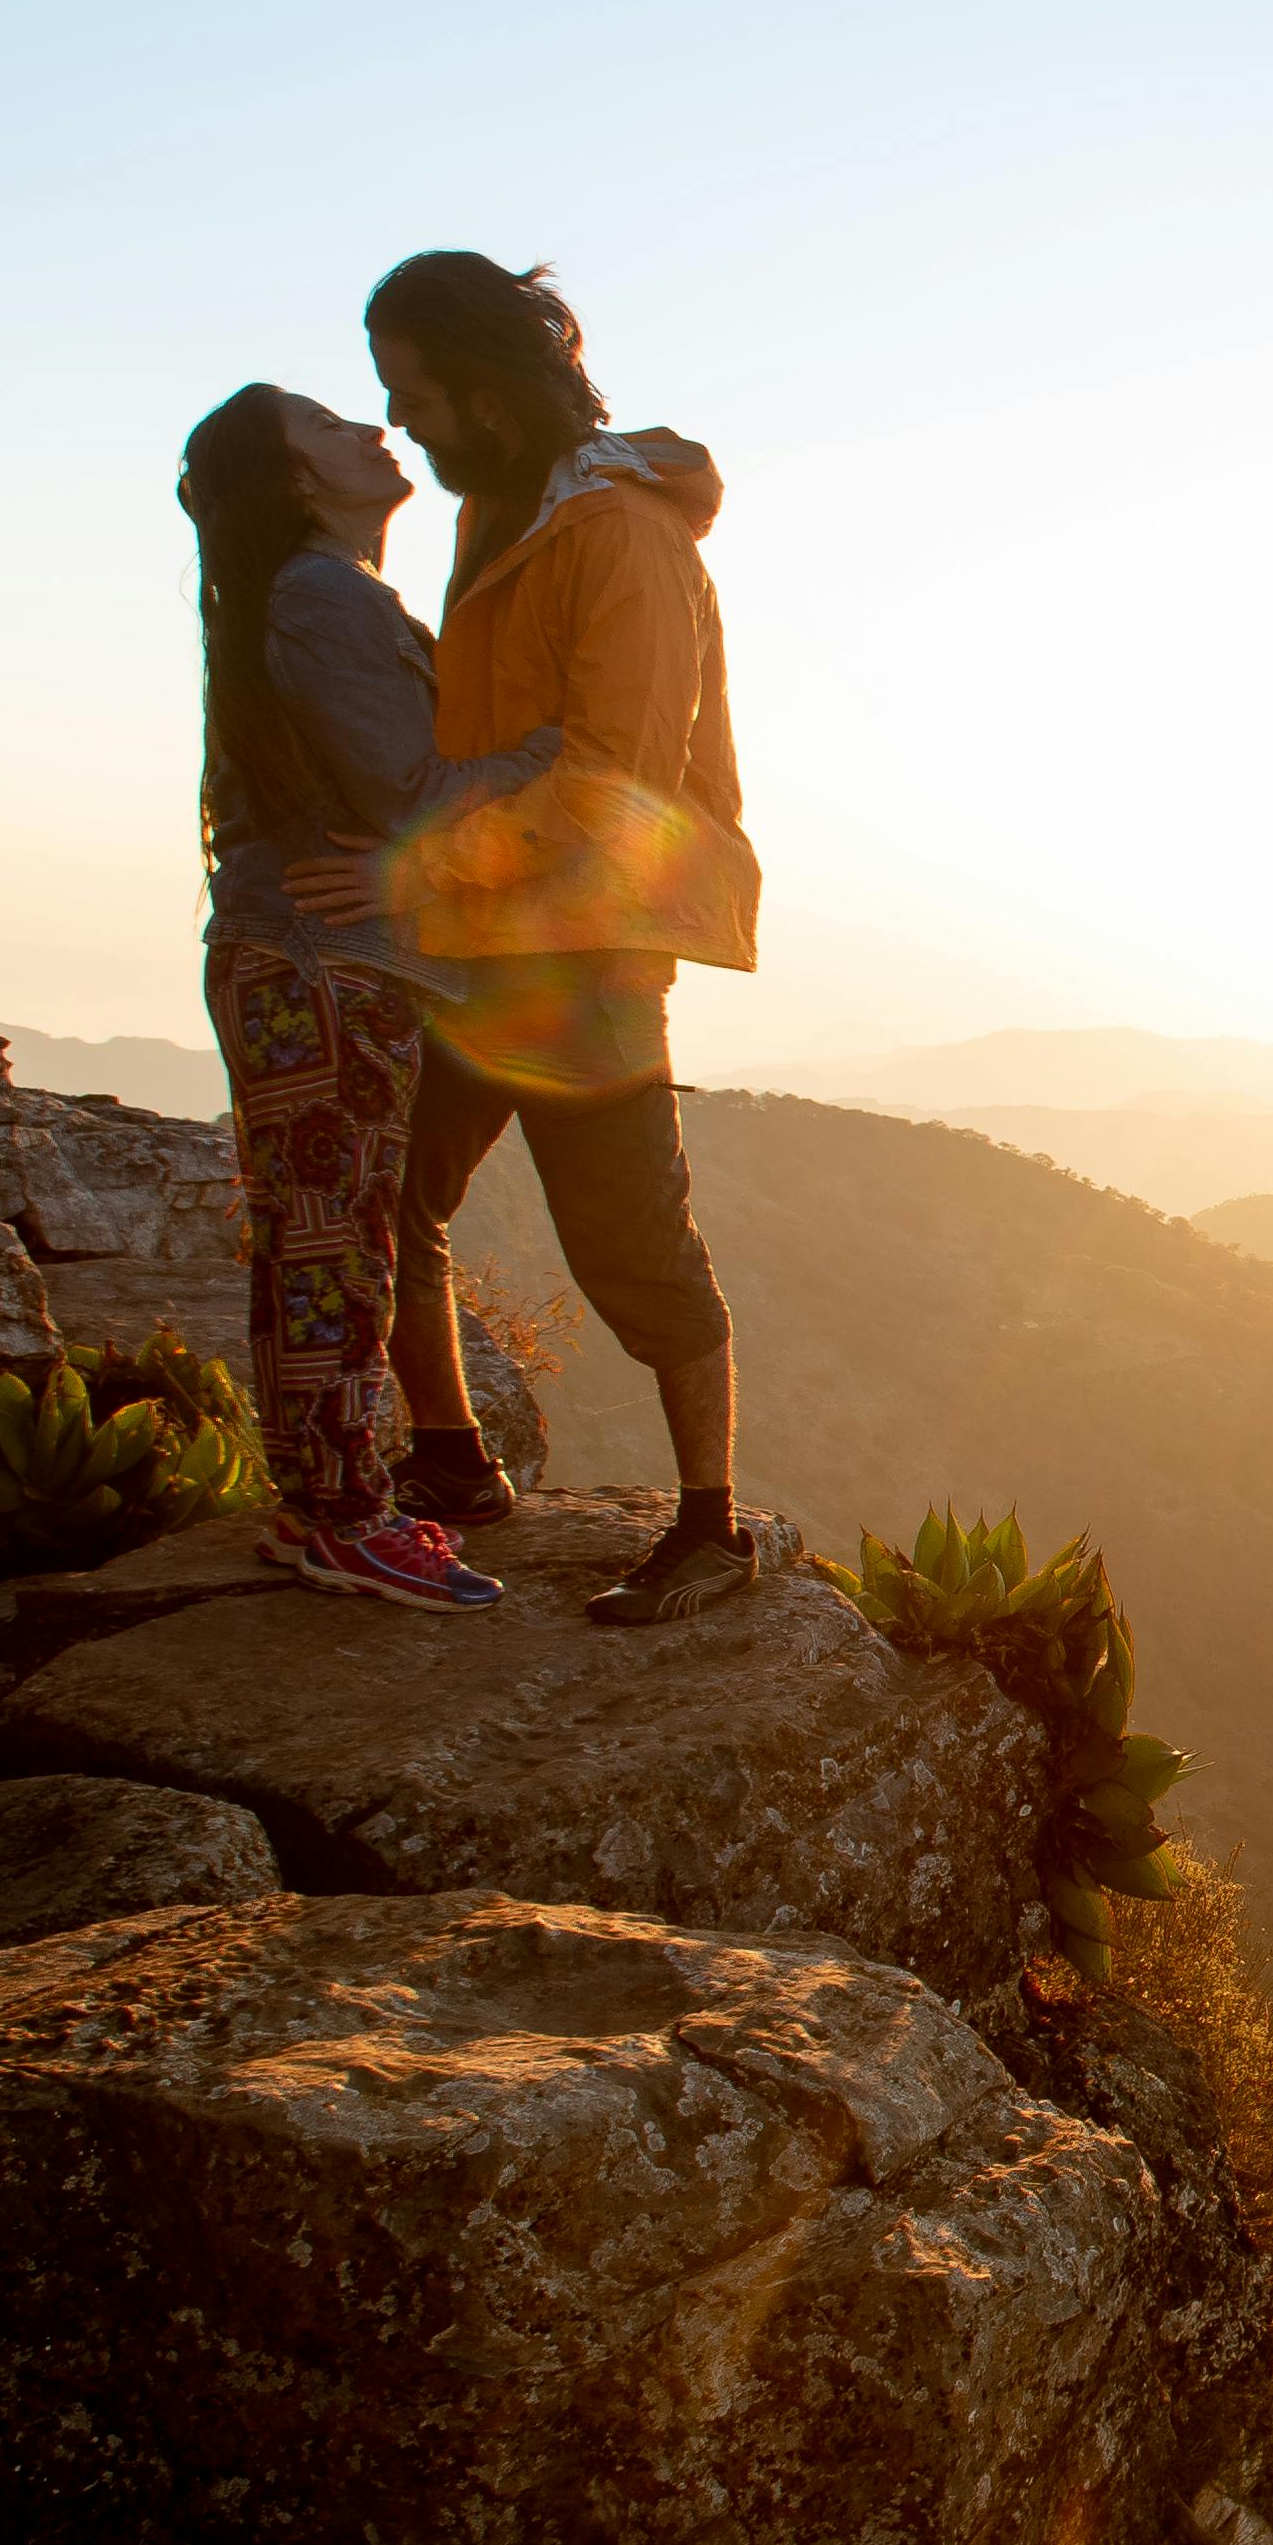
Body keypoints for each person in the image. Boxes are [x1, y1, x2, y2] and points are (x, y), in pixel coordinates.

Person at [342, 249, 777, 1628]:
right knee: (390, 1192)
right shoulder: (504, 513)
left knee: (631, 1241)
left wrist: (413, 868)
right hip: (480, 939)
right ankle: (455, 1464)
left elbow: (614, 783)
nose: (405, 426)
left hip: (584, 949)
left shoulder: (619, 536)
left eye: (416, 396)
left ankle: (712, 1528)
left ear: (489, 388)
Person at [175, 382, 502, 1608]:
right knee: (333, 1239)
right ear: (297, 481)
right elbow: (416, 795)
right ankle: (343, 1517)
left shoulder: (316, 596)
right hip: (321, 965)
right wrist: (561, 748)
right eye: (328, 427)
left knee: (328, 1232)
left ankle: (326, 1503)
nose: (371, 430)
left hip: (309, 959)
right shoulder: (323, 595)